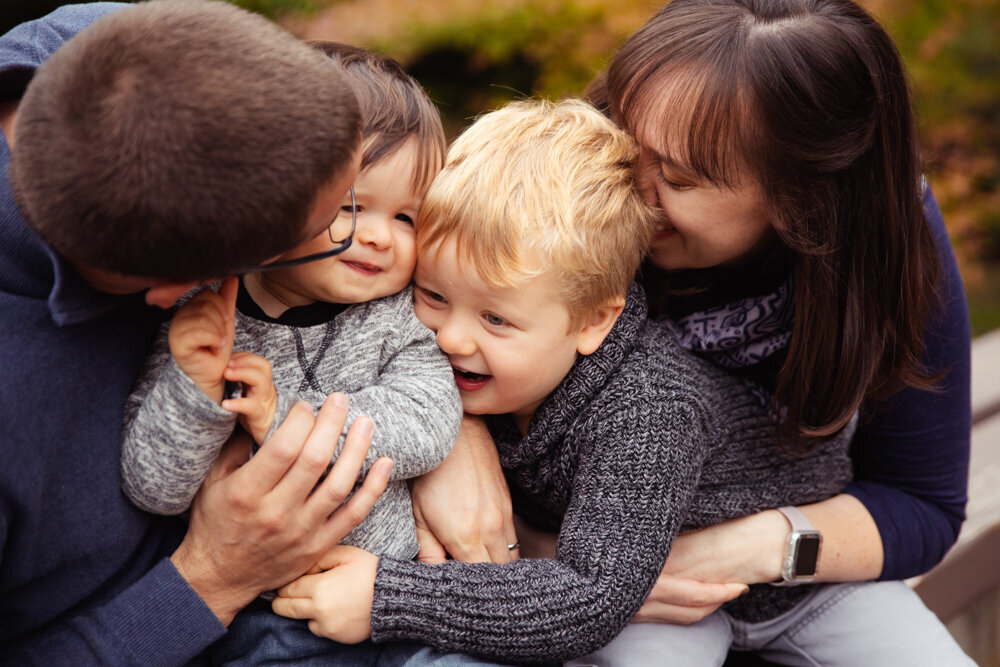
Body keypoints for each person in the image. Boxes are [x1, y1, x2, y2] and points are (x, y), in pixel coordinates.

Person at [410, 0, 973, 664]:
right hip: (593, 579)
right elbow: (430, 280)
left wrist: (750, 547)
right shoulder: (575, 191)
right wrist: (452, 428)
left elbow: (922, 505)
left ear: (800, 201)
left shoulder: (888, 246)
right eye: (630, 141)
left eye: (676, 178)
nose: (634, 194)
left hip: (783, 581)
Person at [259, 97, 868, 665]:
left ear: (593, 321)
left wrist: (386, 597)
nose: (451, 339)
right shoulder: (489, 357)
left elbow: (587, 597)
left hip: (798, 589)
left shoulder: (648, 412)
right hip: (660, 600)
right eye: (434, 296)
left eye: (496, 318)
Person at [0, 3, 393, 663]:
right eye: (327, 232)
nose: (356, 236)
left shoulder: (117, 47)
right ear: (176, 289)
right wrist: (215, 575)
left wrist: (458, 421)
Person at [118, 42, 465, 665]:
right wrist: (194, 390)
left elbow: (426, 424)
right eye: (352, 205)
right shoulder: (203, 317)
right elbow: (154, 489)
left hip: (391, 603)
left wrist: (284, 419)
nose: (380, 236)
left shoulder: (398, 319)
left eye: (409, 217)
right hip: (259, 621)